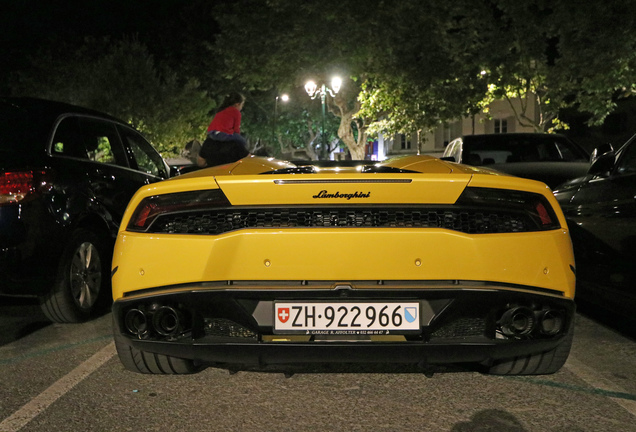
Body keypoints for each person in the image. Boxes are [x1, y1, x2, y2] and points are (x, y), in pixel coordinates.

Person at [197, 92, 249, 167]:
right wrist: (238, 138)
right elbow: (236, 129)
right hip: (223, 134)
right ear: (237, 104)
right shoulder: (236, 112)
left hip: (212, 133)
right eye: (242, 105)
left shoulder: (208, 144)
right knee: (242, 140)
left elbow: (200, 163)